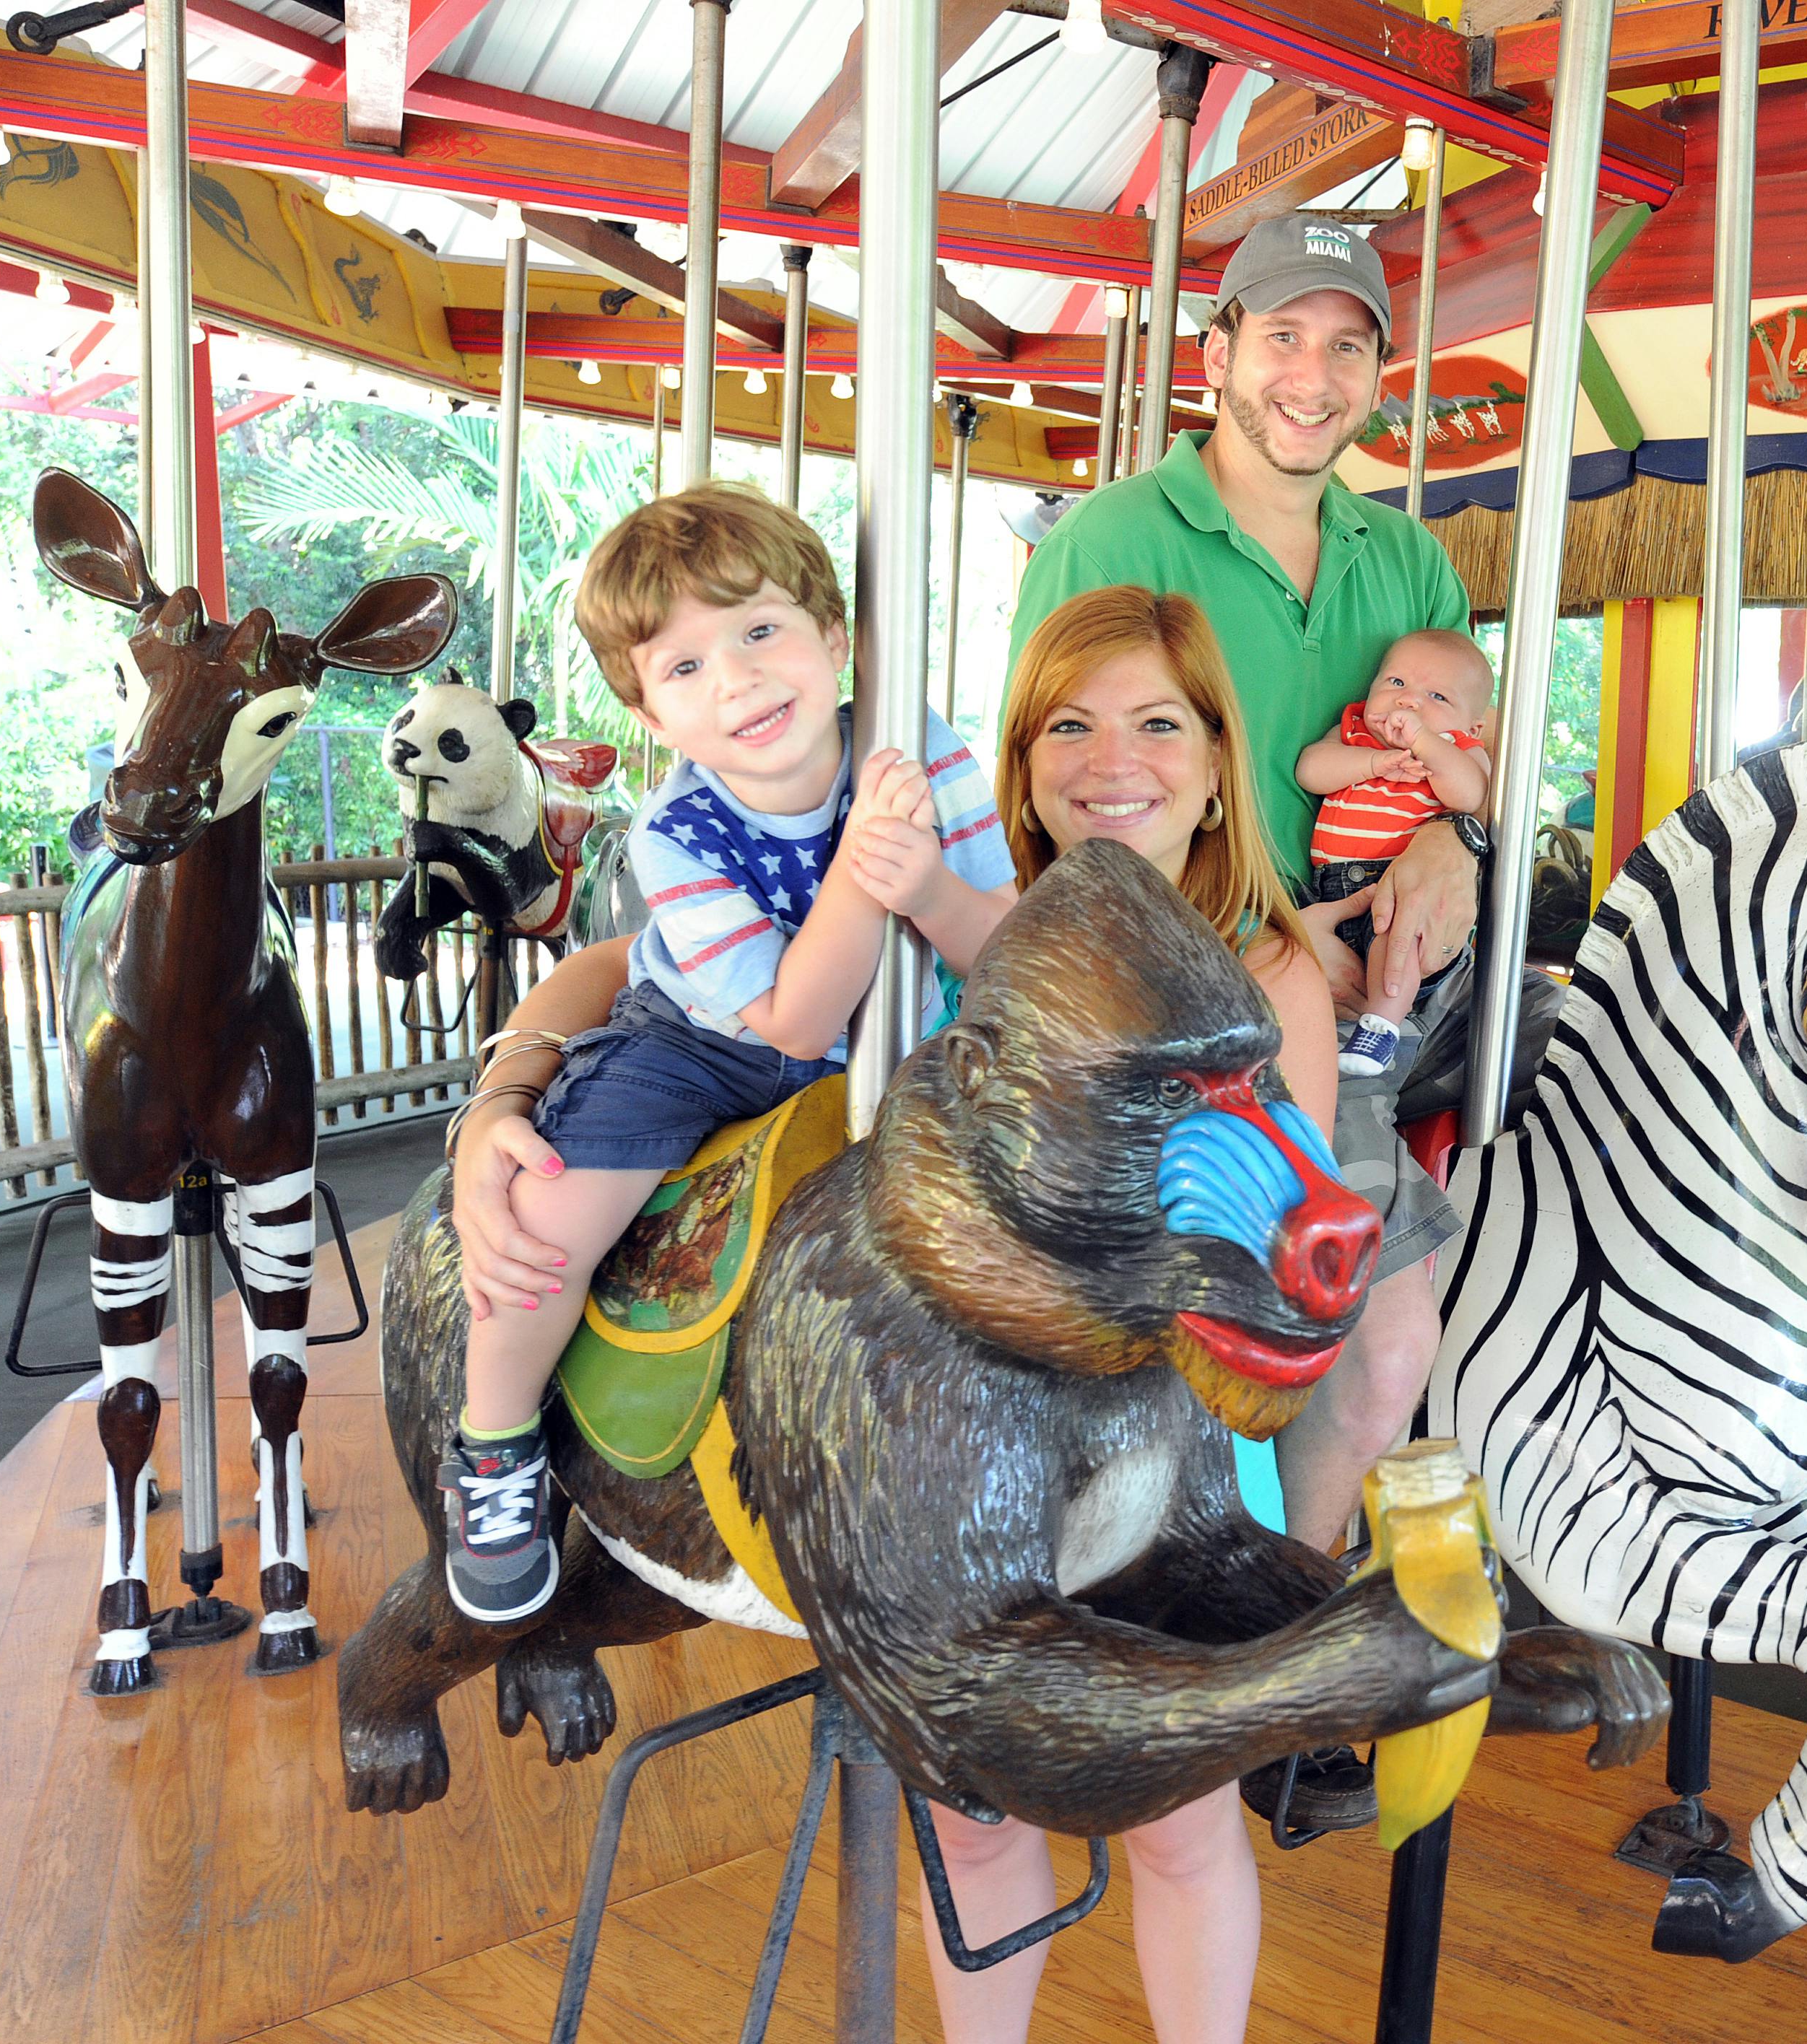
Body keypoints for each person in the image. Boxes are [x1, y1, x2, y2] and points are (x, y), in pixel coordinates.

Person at [451, 585, 1333, 2044]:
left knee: (1181, 1822)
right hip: (953, 1437)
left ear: (1218, 753)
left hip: (1154, 1433)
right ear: (1020, 757)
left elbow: (1226, 1226)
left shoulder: (1260, 968)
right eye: (1071, 724)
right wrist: (506, 1087)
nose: (1115, 757)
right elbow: (629, 963)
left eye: (1159, 722)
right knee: (973, 1826)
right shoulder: (939, 869)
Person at [440, 481, 1013, 1623]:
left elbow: (1003, 938)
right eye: (685, 666)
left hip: (908, 1038)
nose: (739, 679)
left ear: (835, 640)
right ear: (651, 717)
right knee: (556, 1209)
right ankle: (494, 1446)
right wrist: (864, 866)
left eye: (759, 632)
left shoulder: (923, 750)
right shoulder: (675, 834)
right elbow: (793, 1023)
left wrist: (931, 885)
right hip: (707, 1047)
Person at [1006, 212, 1486, 1575]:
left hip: (1348, 1022)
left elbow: (1480, 764)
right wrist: (1249, 958)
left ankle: (1290, 1629)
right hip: (1159, 1032)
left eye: (1346, 348)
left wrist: (1458, 843)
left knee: (1388, 1350)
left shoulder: (1408, 562)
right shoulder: (1108, 543)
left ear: (1379, 375)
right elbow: (1042, 812)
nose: (1312, 377)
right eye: (1281, 338)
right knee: (1151, 1372)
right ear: (1217, 351)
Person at [1298, 628, 1492, 1077]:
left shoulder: (1457, 750)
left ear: (1472, 726)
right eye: (1396, 684)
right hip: (1325, 890)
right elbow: (1311, 769)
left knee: (1399, 937)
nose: (1408, 702)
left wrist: (1426, 743)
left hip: (1396, 883)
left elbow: (1469, 793)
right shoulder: (1354, 734)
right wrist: (1374, 763)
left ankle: (1381, 1026)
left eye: (1437, 696)